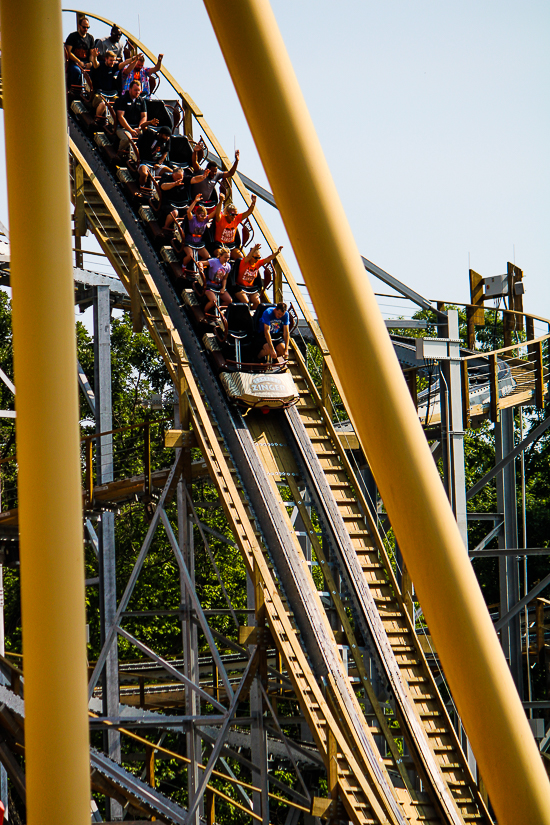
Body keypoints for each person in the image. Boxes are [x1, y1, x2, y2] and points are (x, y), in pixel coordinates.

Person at [233, 243, 283, 309]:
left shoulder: (257, 263)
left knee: (257, 302)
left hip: (250, 288)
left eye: (259, 258)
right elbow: (248, 257)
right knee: (245, 301)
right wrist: (254, 249)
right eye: (256, 257)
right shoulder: (244, 262)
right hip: (240, 287)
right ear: (251, 257)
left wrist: (277, 253)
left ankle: (252, 316)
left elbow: (268, 259)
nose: (257, 259)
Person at [115, 80, 158, 155]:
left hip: (137, 128)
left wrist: (140, 127)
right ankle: (119, 154)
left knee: (149, 136)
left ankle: (145, 156)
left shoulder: (141, 101)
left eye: (139, 90)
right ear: (130, 89)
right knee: (127, 139)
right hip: (123, 128)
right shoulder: (122, 99)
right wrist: (131, 130)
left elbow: (144, 116)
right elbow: (120, 117)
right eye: (135, 90)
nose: (137, 92)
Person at [212, 193, 257, 259]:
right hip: (220, 245)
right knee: (220, 255)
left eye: (236, 214)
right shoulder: (221, 219)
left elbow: (248, 212)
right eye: (232, 214)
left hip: (231, 245)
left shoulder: (236, 219)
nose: (234, 216)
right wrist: (221, 201)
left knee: (240, 257)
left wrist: (253, 203)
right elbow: (218, 212)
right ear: (227, 213)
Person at [90, 49, 132, 119]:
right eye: (111, 60)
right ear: (106, 59)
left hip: (111, 94)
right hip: (99, 94)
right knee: (103, 104)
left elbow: (125, 63)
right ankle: (97, 120)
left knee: (121, 103)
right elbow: (95, 63)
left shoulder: (113, 67)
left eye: (114, 60)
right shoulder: (100, 65)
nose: (112, 62)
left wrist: (134, 59)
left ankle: (119, 121)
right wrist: (94, 57)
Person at [181, 194, 217, 270]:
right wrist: (195, 201)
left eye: (205, 216)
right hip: (189, 241)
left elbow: (215, 212)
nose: (203, 218)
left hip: (198, 243)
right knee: (189, 256)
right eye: (201, 216)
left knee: (208, 257)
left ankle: (197, 266)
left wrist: (221, 202)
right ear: (197, 214)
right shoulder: (192, 219)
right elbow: (188, 211)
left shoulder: (205, 220)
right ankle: (183, 266)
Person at [199, 247, 233, 315]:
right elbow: (200, 262)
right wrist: (201, 267)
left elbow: (224, 279)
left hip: (218, 286)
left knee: (229, 301)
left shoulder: (228, 266)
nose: (227, 259)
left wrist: (223, 288)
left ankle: (218, 312)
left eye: (228, 257)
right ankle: (204, 313)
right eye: (225, 257)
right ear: (220, 256)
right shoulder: (214, 261)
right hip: (209, 285)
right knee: (214, 300)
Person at [137, 126, 172, 191]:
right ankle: (142, 187)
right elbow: (143, 127)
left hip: (156, 164)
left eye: (168, 136)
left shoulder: (167, 141)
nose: (167, 138)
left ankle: (162, 189)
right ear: (161, 134)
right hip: (145, 162)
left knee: (172, 173)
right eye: (166, 135)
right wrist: (150, 123)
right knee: (144, 174)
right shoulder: (152, 134)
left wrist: (158, 163)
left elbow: (165, 153)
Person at [65, 16, 93, 87]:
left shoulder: (90, 38)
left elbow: (91, 54)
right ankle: (74, 90)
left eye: (87, 27)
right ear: (79, 26)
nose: (86, 29)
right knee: (76, 71)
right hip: (74, 63)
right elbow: (68, 52)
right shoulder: (72, 36)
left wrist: (90, 63)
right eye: (84, 27)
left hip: (85, 63)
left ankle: (92, 92)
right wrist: (78, 61)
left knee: (95, 71)